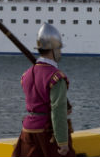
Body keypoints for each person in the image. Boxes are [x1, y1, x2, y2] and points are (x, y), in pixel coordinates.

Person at [12, 23, 76, 157]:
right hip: (47, 132)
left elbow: (37, 101)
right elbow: (57, 111)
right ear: (54, 49)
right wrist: (63, 141)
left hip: (28, 130)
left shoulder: (26, 74)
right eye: (59, 49)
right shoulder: (56, 77)